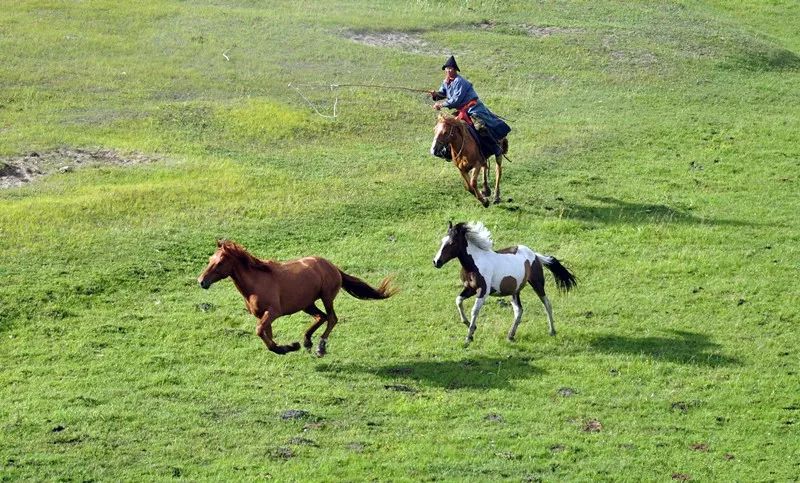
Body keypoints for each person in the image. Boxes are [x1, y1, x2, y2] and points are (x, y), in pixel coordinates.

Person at [430, 56, 511, 157]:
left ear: (455, 70)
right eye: (447, 68)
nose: (448, 70)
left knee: (480, 126)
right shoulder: (446, 82)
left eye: (450, 68)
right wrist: (435, 95)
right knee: (450, 127)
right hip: (461, 110)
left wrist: (441, 104)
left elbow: (456, 100)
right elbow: (442, 93)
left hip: (473, 108)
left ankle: (495, 147)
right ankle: (448, 152)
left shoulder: (460, 81)